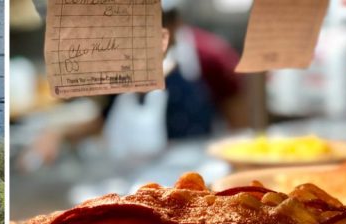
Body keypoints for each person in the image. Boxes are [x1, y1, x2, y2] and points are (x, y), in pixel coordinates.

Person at [20, 0, 248, 170]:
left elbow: (238, 121)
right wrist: (57, 132)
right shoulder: (121, 55)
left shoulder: (210, 56)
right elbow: (104, 118)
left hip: (199, 174)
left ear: (175, 22)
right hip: (130, 179)